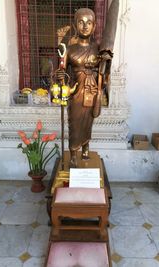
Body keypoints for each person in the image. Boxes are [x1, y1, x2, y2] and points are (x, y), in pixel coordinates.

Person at [57, 8, 112, 167]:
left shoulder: (99, 49)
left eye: (89, 23)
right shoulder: (69, 50)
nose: (85, 26)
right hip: (76, 92)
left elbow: (105, 74)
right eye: (81, 22)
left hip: (92, 91)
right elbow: (61, 72)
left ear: (94, 26)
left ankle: (86, 149)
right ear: (75, 25)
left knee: (89, 123)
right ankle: (74, 153)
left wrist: (105, 64)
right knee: (74, 123)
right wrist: (61, 79)